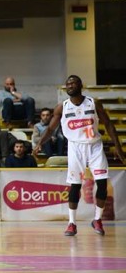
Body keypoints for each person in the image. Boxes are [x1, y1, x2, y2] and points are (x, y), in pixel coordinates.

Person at [33, 75, 125, 236]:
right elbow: (50, 129)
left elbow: (109, 124)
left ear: (80, 85)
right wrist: (40, 143)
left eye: (73, 83)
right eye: (67, 84)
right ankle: (71, 223)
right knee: (75, 185)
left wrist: (118, 147)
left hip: (95, 146)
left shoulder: (93, 103)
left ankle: (97, 219)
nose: (69, 85)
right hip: (75, 147)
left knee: (102, 184)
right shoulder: (62, 107)